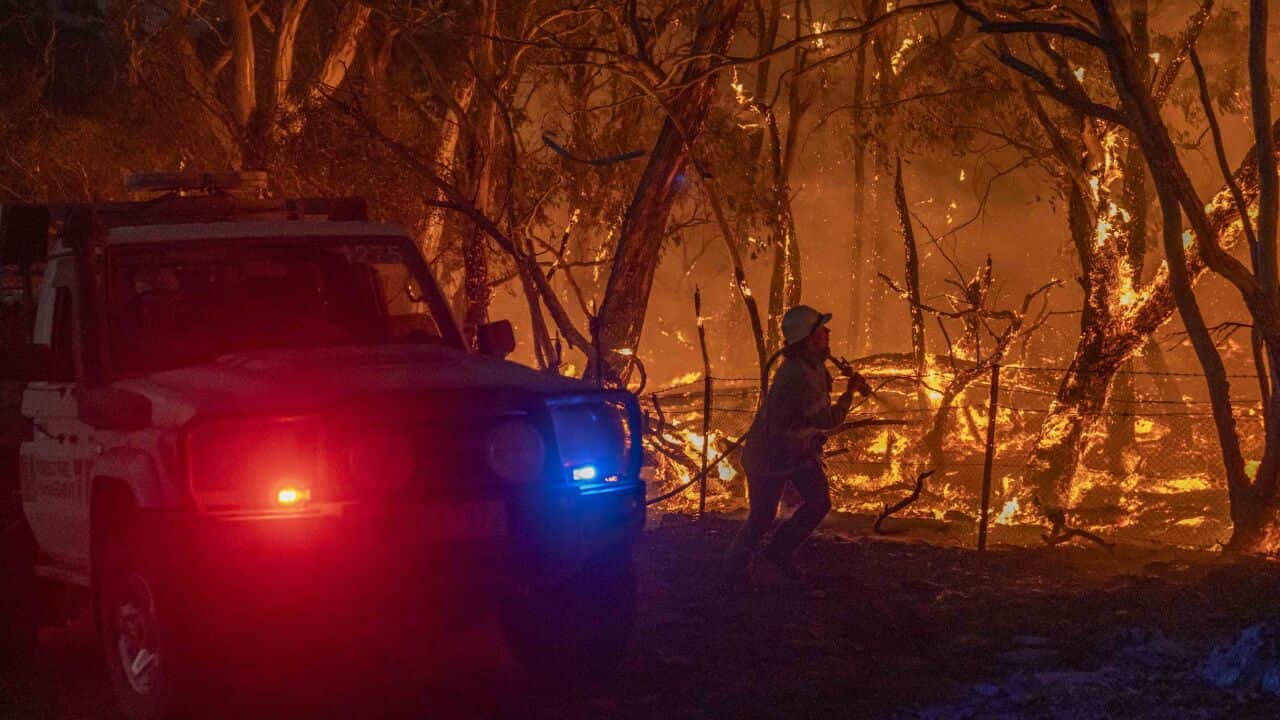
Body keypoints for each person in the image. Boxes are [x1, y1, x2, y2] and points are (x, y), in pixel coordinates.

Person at [725, 304, 870, 588]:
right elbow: (827, 419)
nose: (827, 332)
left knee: (818, 502)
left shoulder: (811, 364)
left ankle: (778, 552)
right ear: (808, 337)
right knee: (762, 518)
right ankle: (733, 570)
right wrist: (849, 394)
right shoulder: (798, 374)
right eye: (821, 329)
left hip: (796, 452)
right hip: (769, 456)